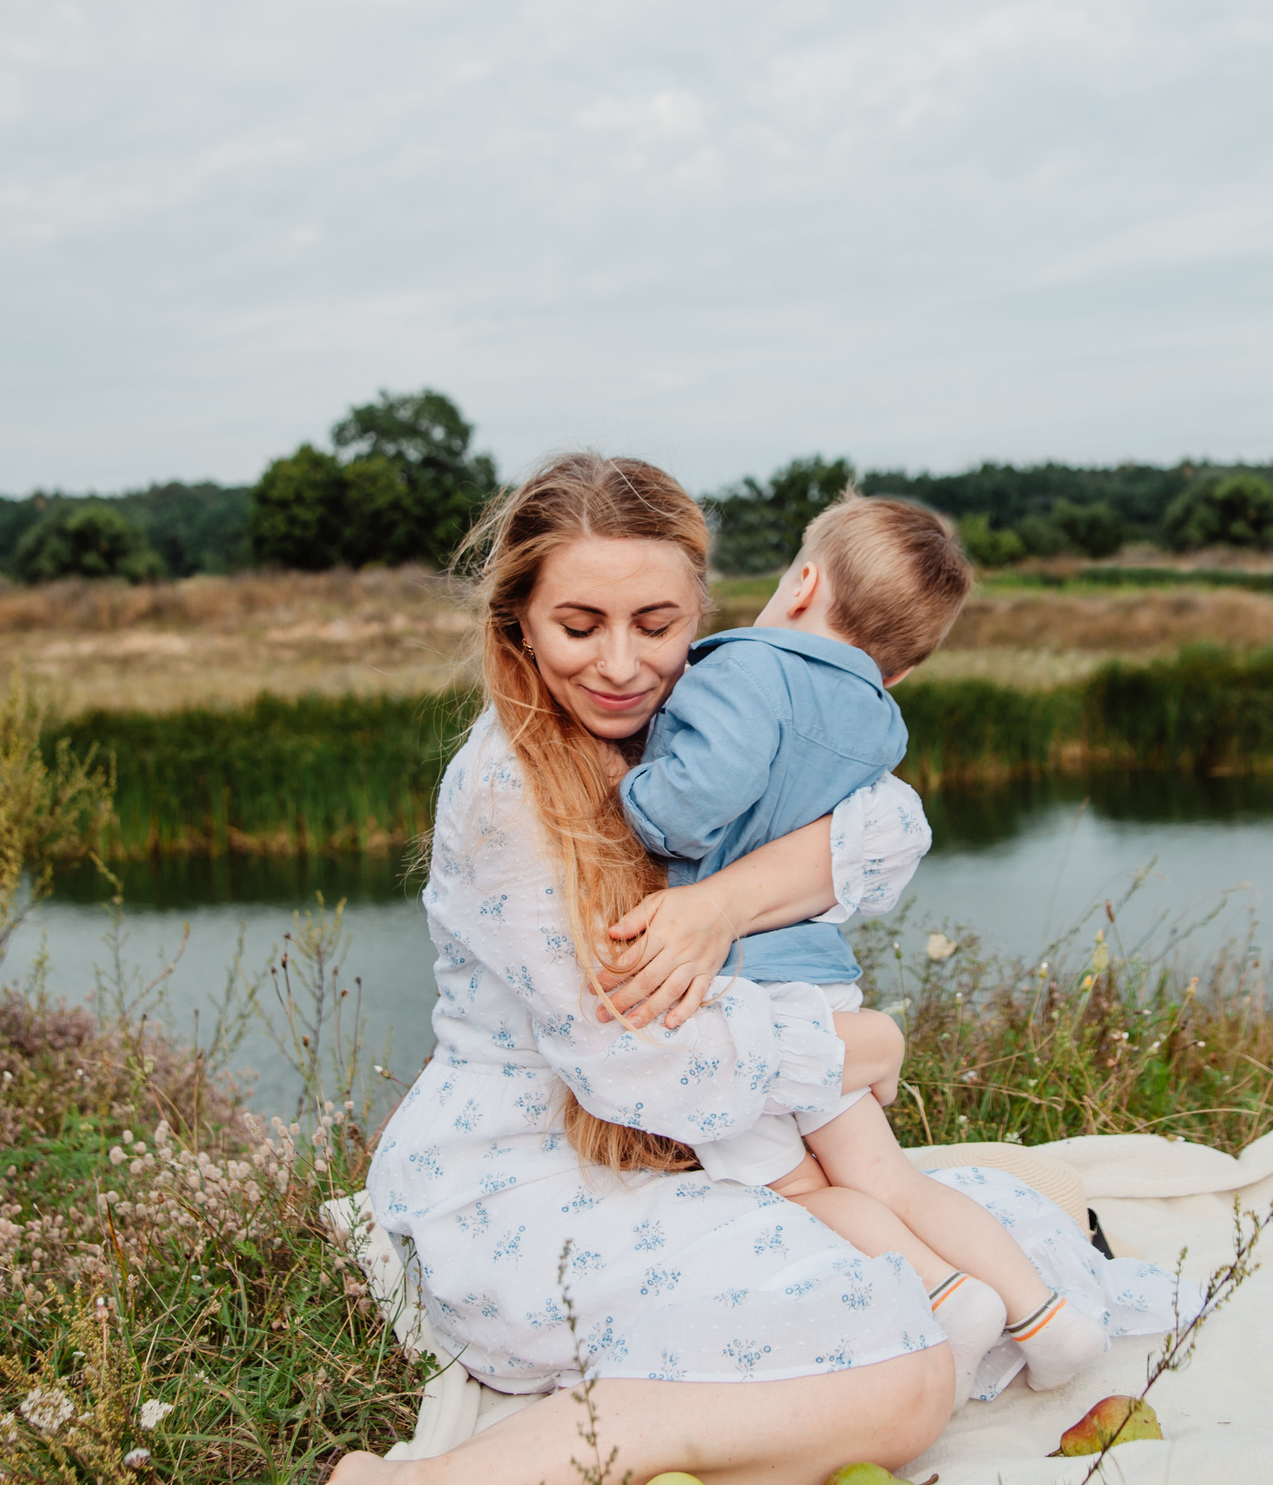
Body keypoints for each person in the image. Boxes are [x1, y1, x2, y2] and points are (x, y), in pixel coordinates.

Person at [334, 454, 1126, 1485]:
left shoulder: (709, 707)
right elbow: (635, 1067)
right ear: (516, 621)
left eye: (656, 625)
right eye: (579, 627)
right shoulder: (509, 793)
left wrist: (724, 902)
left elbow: (890, 824)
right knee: (909, 1378)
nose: (620, 665)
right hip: (532, 1177)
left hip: (691, 1150)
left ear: (704, 608)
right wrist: (857, 1041)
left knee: (1032, 1210)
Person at [612, 492, 1103, 1399]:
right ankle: (1046, 1315)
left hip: (736, 990)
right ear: (903, 667)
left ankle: (947, 1298)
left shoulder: (742, 669)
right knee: (887, 1172)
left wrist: (631, 802)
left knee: (797, 1190)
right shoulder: (878, 719)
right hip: (822, 987)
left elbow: (693, 801)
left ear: (802, 581)